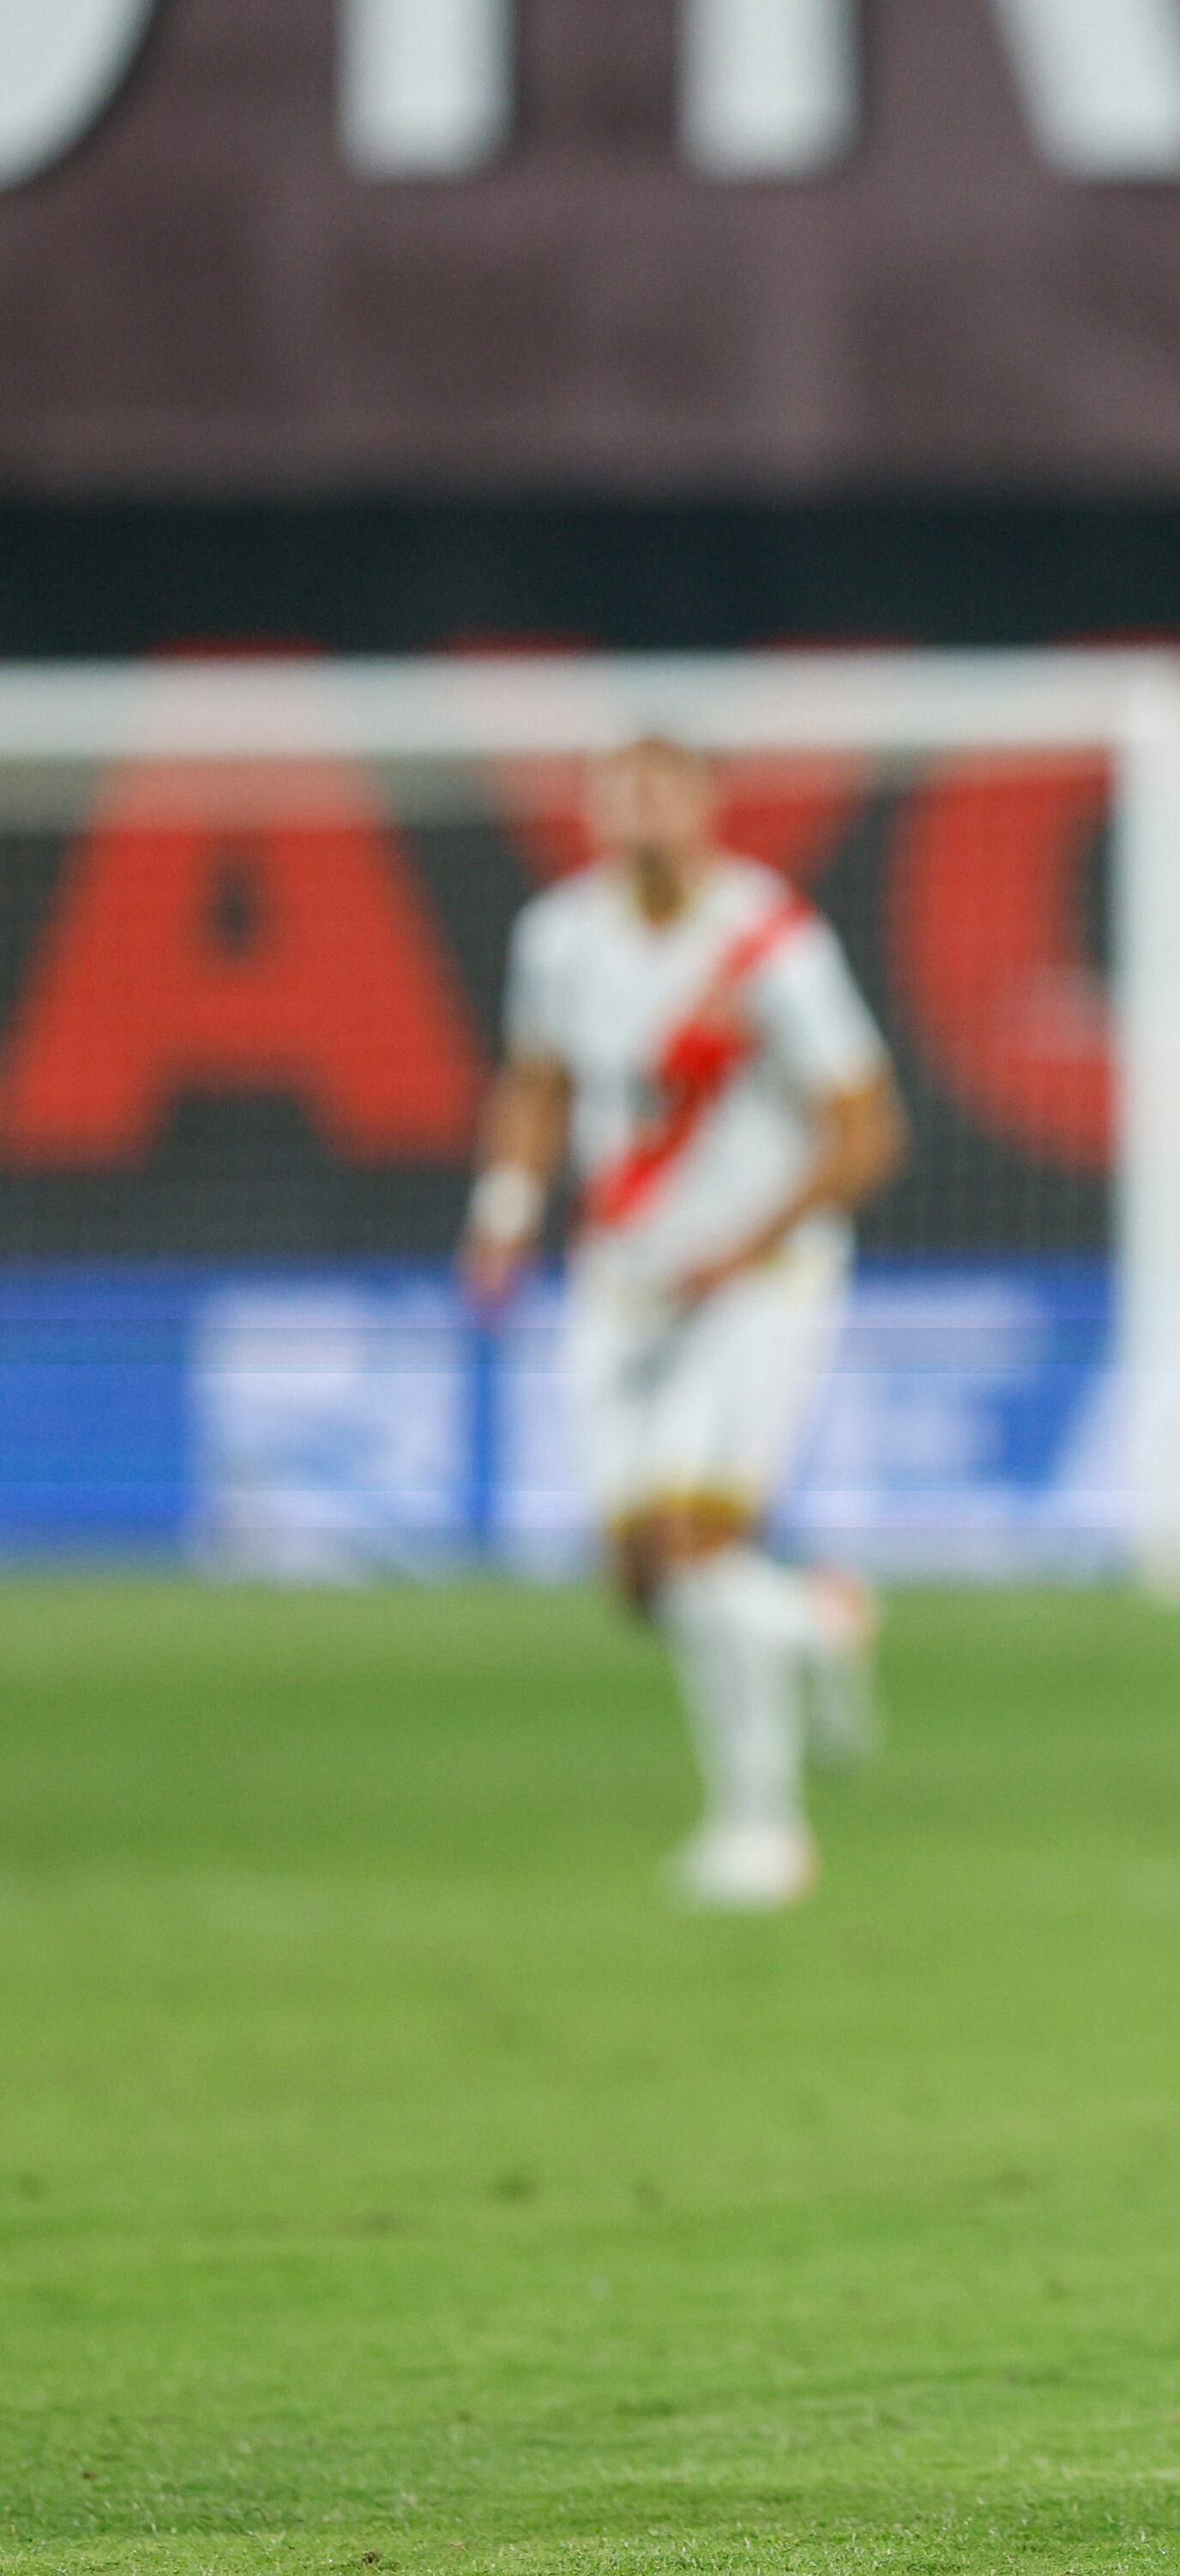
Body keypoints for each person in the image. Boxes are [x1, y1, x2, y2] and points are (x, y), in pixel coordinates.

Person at [461, 736, 900, 1912]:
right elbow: (538, 1081)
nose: (643, 814)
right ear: (597, 810)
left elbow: (866, 1127)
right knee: (642, 1577)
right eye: (624, 793)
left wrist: (749, 1245)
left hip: (760, 1283)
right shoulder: (558, 938)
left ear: (707, 805)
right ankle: (817, 1616)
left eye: (664, 791)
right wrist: (503, 1211)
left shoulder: (771, 942)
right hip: (625, 1279)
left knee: (700, 1543)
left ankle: (762, 1830)